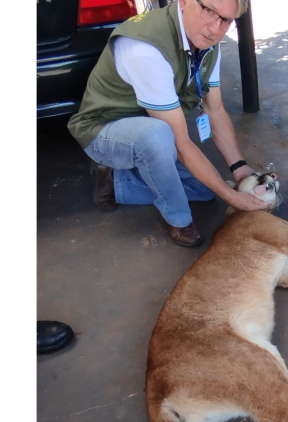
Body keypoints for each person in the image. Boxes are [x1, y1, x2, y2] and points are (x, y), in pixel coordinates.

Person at [67, 0, 269, 248]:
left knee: (207, 190)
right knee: (159, 137)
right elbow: (180, 142)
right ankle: (178, 219)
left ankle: (116, 183)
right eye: (209, 11)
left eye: (225, 20)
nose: (215, 28)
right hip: (104, 128)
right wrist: (233, 197)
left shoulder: (207, 42)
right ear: (184, 2)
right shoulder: (145, 48)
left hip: (148, 121)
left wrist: (240, 169)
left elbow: (215, 109)